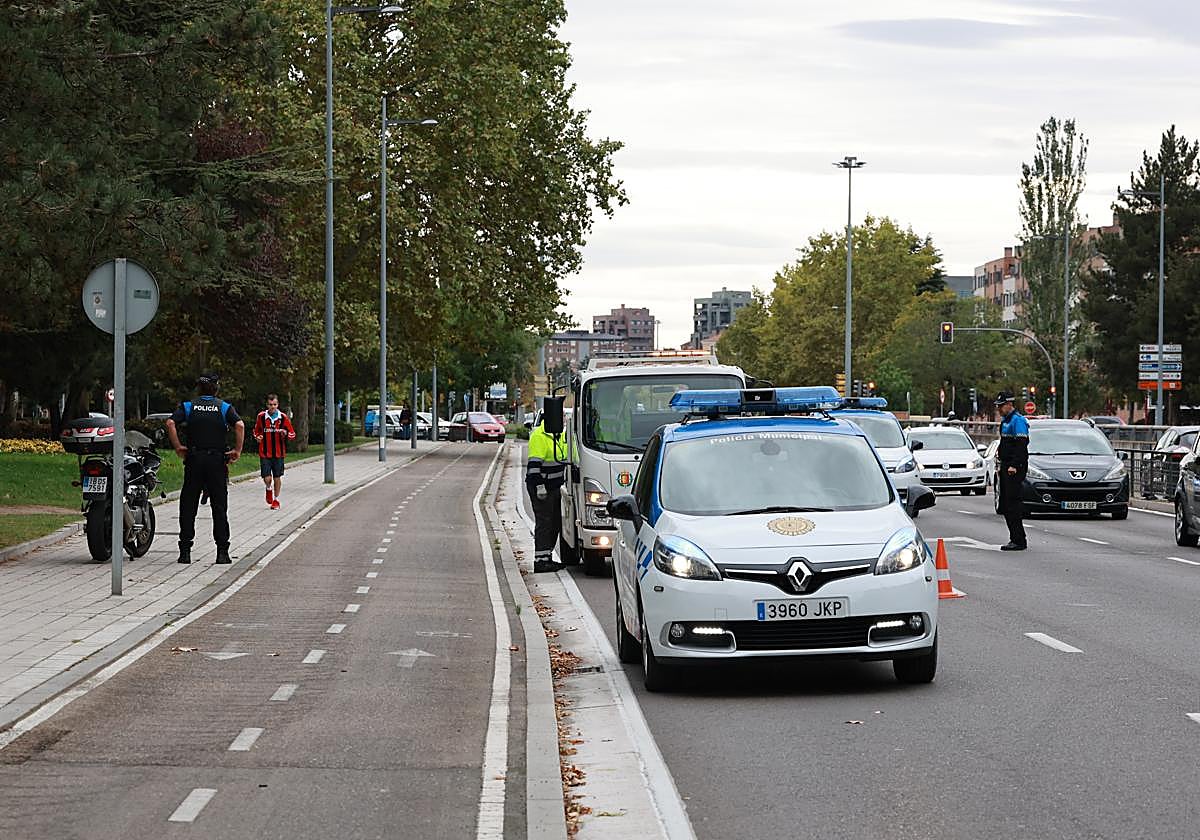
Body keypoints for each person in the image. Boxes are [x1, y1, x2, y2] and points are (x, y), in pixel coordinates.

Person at [166, 373, 244, 565]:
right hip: (217, 461)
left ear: (199, 389)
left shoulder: (188, 406)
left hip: (194, 459)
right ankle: (222, 552)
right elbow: (240, 425)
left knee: (188, 505)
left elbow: (170, 423)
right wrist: (237, 451)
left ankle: (185, 551)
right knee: (219, 507)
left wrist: (178, 447)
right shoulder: (224, 407)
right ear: (216, 388)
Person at [527, 420, 568, 572]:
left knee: (555, 522)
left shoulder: (561, 435)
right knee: (544, 522)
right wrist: (539, 487)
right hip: (541, 486)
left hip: (554, 487)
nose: (563, 420)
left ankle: (547, 556)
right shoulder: (539, 435)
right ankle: (540, 561)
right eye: (561, 417)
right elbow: (533, 468)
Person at [995, 391, 1029, 551]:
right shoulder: (1005, 421)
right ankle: (1014, 537)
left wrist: (1014, 465)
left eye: (1001, 406)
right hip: (1006, 466)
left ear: (1009, 405)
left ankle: (1018, 539)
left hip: (1013, 469)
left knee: (1013, 504)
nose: (999, 409)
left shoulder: (1018, 421)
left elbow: (1021, 446)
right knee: (1006, 504)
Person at [253, 394, 296, 510]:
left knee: (277, 477)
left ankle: (276, 500)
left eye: (275, 405)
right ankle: (268, 488)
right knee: (267, 478)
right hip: (265, 452)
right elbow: (256, 431)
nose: (273, 407)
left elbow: (292, 433)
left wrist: (285, 433)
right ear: (267, 405)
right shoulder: (261, 417)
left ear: (278, 405)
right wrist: (258, 437)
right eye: (270, 405)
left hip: (279, 453)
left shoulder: (283, 417)